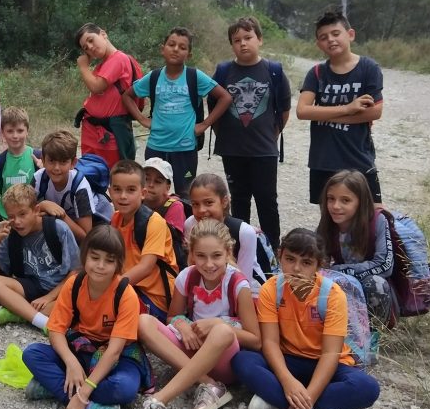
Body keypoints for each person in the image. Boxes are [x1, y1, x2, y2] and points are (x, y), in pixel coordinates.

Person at [231, 228, 380, 409]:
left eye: (306, 263)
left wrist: (309, 395)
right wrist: (287, 382)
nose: (296, 269)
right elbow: (270, 342)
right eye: (290, 259)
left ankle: (280, 403)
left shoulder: (333, 295)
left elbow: (331, 353)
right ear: (280, 256)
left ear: (319, 266)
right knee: (243, 360)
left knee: (367, 387)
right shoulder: (271, 289)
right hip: (288, 359)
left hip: (327, 364)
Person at [131, 219, 262, 409]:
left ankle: (158, 401)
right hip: (193, 349)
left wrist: (217, 323)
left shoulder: (238, 284)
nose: (209, 264)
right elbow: (173, 316)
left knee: (221, 332)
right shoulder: (187, 276)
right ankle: (209, 384)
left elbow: (255, 339)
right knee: (143, 322)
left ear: (228, 253)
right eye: (201, 256)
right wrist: (181, 324)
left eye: (216, 256)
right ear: (191, 254)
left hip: (223, 358)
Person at [22, 226, 151, 409]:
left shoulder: (126, 294)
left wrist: (84, 393)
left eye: (109, 260)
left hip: (116, 356)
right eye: (95, 257)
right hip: (81, 348)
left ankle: (53, 389)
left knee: (124, 388)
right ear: (85, 257)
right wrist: (71, 363)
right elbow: (55, 330)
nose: (100, 266)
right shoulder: (74, 284)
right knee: (32, 354)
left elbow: (115, 351)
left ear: (118, 264)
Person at [210, 16, 291, 251]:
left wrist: (271, 136)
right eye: (237, 40)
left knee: (267, 200)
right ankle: (241, 248)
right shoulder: (223, 72)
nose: (243, 43)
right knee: (239, 200)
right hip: (232, 150)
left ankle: (272, 249)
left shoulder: (274, 71)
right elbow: (214, 108)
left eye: (248, 37)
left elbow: (284, 110)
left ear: (260, 39)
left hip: (264, 150)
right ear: (231, 44)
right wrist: (224, 135)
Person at [122, 27, 231, 196]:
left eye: (182, 47)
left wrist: (204, 124)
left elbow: (225, 97)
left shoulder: (195, 76)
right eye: (171, 44)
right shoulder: (154, 77)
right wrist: (142, 119)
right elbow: (127, 96)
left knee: (185, 194)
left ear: (189, 54)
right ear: (162, 49)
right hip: (156, 146)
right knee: (150, 193)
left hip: (185, 148)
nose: (175, 49)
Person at [296, 10, 384, 205]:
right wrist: (348, 108)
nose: (330, 40)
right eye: (323, 37)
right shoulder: (316, 73)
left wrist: (322, 114)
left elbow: (375, 111)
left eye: (336, 34)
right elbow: (302, 111)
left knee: (373, 213)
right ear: (319, 44)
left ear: (350, 34)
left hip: (358, 159)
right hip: (323, 160)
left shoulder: (369, 68)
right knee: (330, 214)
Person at [0, 184, 79, 331]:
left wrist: (49, 297)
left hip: (61, 287)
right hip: (33, 285)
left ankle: (20, 312)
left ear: (36, 210)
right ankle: (42, 322)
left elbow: (75, 271)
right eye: (11, 217)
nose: (17, 221)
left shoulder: (58, 228)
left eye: (22, 214)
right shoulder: (10, 235)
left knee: (78, 304)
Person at [316, 170, 396, 324]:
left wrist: (339, 271)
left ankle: (374, 332)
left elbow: (385, 265)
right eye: (331, 199)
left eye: (345, 200)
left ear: (361, 202)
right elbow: (318, 262)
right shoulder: (327, 225)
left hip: (374, 290)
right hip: (342, 286)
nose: (335, 206)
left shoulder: (378, 221)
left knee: (375, 283)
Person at [108, 159, 177, 321]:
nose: (123, 196)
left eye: (131, 190)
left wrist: (110, 288)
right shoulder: (116, 218)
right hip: (129, 286)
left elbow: (146, 267)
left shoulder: (154, 222)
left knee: (103, 307)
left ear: (143, 193)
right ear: (110, 192)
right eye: (117, 189)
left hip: (155, 298)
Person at [184, 174, 275, 285]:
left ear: (224, 201)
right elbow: (193, 264)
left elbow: (243, 278)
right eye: (195, 204)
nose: (201, 210)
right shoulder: (190, 225)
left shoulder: (244, 232)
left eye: (208, 203)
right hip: (207, 283)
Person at [73, 23, 142, 169]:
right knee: (93, 174)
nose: (90, 47)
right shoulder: (102, 66)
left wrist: (83, 67)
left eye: (91, 40)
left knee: (115, 174)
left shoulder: (119, 58)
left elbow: (96, 86)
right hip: (95, 132)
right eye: (85, 48)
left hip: (111, 133)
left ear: (103, 34)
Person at [33, 129, 113, 243]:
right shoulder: (38, 179)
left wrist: (61, 216)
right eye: (51, 161)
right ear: (43, 160)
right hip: (70, 217)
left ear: (73, 163)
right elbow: (27, 212)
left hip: (96, 219)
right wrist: (42, 205)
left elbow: (86, 236)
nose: (56, 168)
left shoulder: (80, 186)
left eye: (63, 162)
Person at [141, 157, 186, 235]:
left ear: (167, 188)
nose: (151, 185)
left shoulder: (174, 206)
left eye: (158, 181)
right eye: (146, 179)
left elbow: (170, 238)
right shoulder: (135, 200)